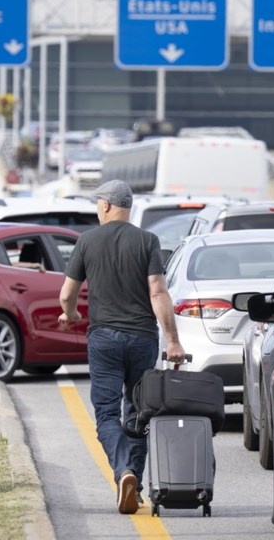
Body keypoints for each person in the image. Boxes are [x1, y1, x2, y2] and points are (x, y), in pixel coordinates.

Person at [59, 179, 186, 515]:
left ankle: (122, 472)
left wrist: (70, 315)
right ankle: (136, 487)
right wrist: (172, 340)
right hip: (143, 338)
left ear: (104, 205)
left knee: (106, 413)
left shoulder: (87, 242)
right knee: (139, 413)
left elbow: (66, 295)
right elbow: (158, 293)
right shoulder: (148, 241)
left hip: (104, 340)